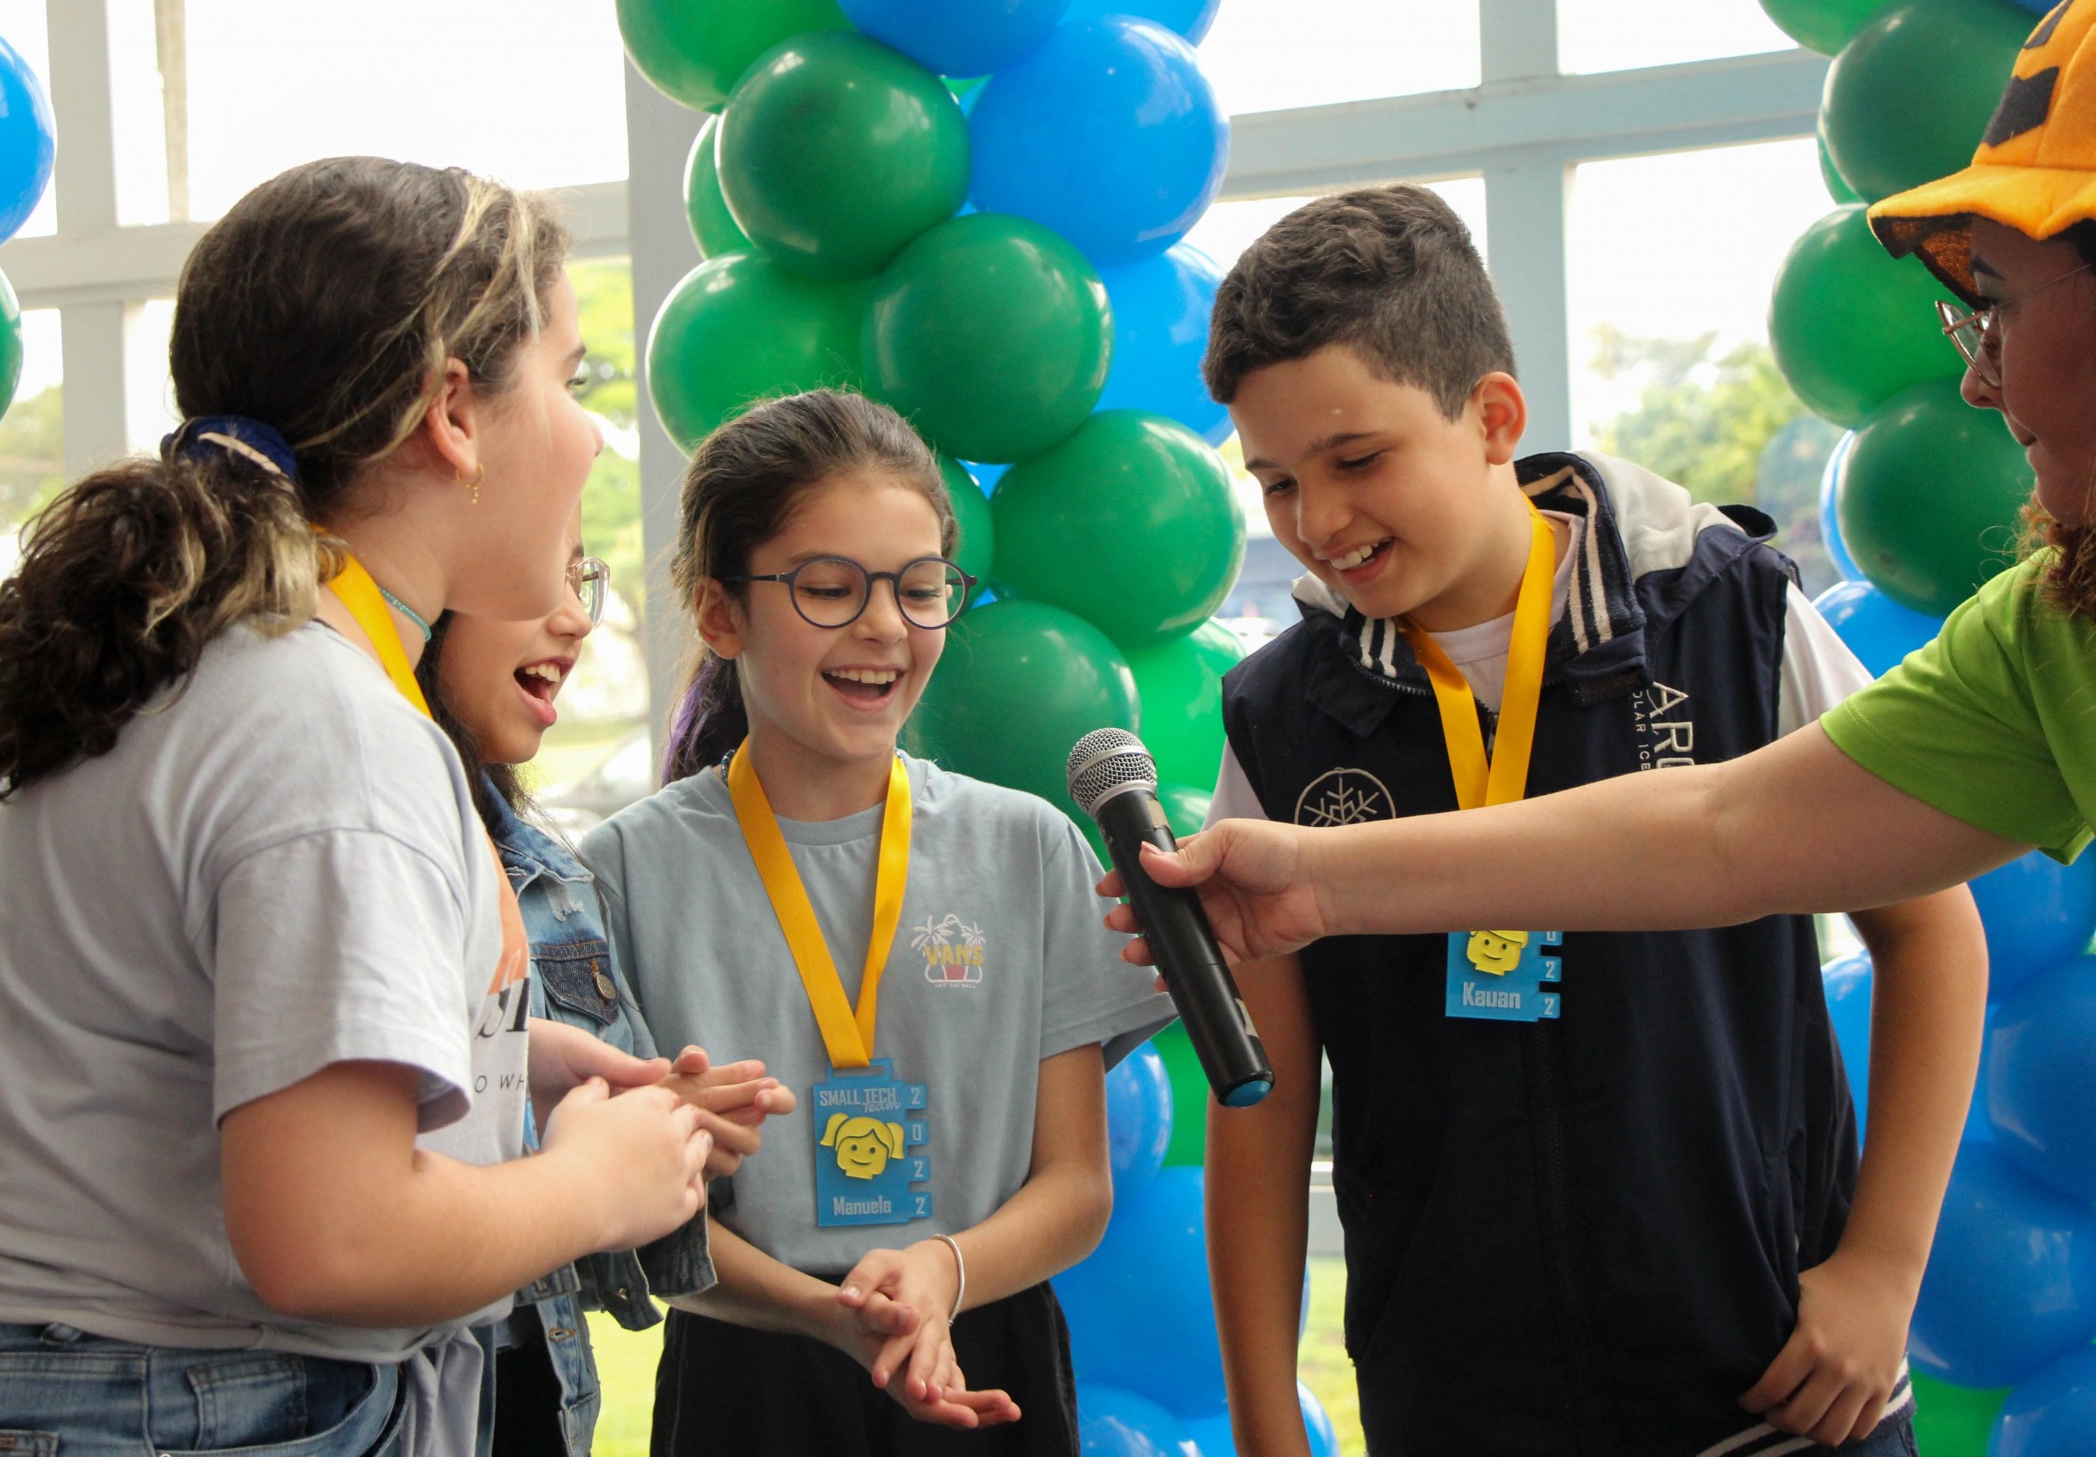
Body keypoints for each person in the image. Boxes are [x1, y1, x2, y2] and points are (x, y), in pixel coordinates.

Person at [0, 157, 714, 1457]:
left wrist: (494, 1051)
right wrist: (595, 1184)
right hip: (154, 1396)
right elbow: (333, 1240)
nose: (590, 437)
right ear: (454, 411)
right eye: (571, 381)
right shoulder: (322, 723)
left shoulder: (186, 658)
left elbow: (159, 1028)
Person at [1164, 184, 1988, 1457]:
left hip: (1776, 1388)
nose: (1316, 523)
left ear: (1493, 418)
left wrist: (1881, 1269)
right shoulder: (1283, 717)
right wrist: (1268, 1423)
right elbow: (1261, 1096)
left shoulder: (1724, 614)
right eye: (1273, 483)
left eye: (1356, 460)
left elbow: (1932, 930)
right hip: (1461, 1409)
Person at [575, 389, 1174, 1455]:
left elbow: (1077, 1185)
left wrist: (943, 1271)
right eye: (828, 588)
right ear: (720, 614)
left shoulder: (1028, 847)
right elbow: (629, 1211)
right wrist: (825, 1313)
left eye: (920, 588)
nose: (886, 627)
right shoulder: (623, 871)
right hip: (750, 1371)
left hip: (986, 1350)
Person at [416, 541, 800, 1457]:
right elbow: (333, 1219)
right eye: (539, 570)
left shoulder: (548, 873)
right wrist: (590, 1175)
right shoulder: (350, 824)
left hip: (523, 1384)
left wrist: (648, 1132)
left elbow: (551, 1212)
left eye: (581, 577)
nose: (576, 619)